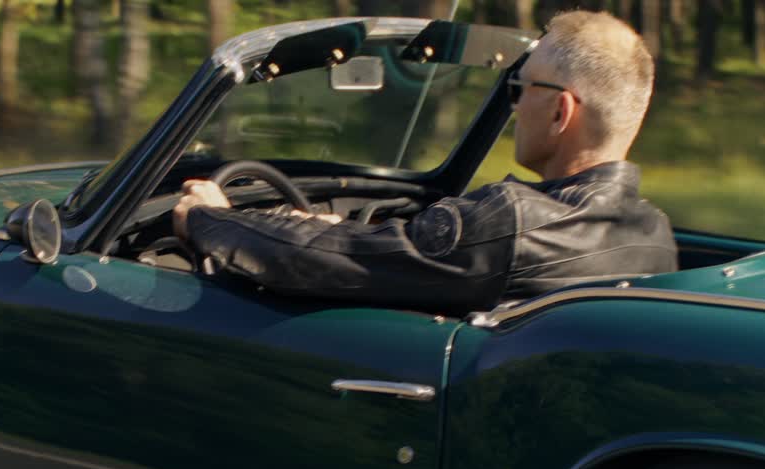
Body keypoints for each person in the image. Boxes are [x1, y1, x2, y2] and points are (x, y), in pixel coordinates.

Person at [171, 11, 678, 314]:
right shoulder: (654, 235)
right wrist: (325, 224)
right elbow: (398, 250)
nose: (515, 106)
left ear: (559, 112)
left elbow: (323, 260)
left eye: (521, 90)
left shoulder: (514, 222)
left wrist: (211, 218)